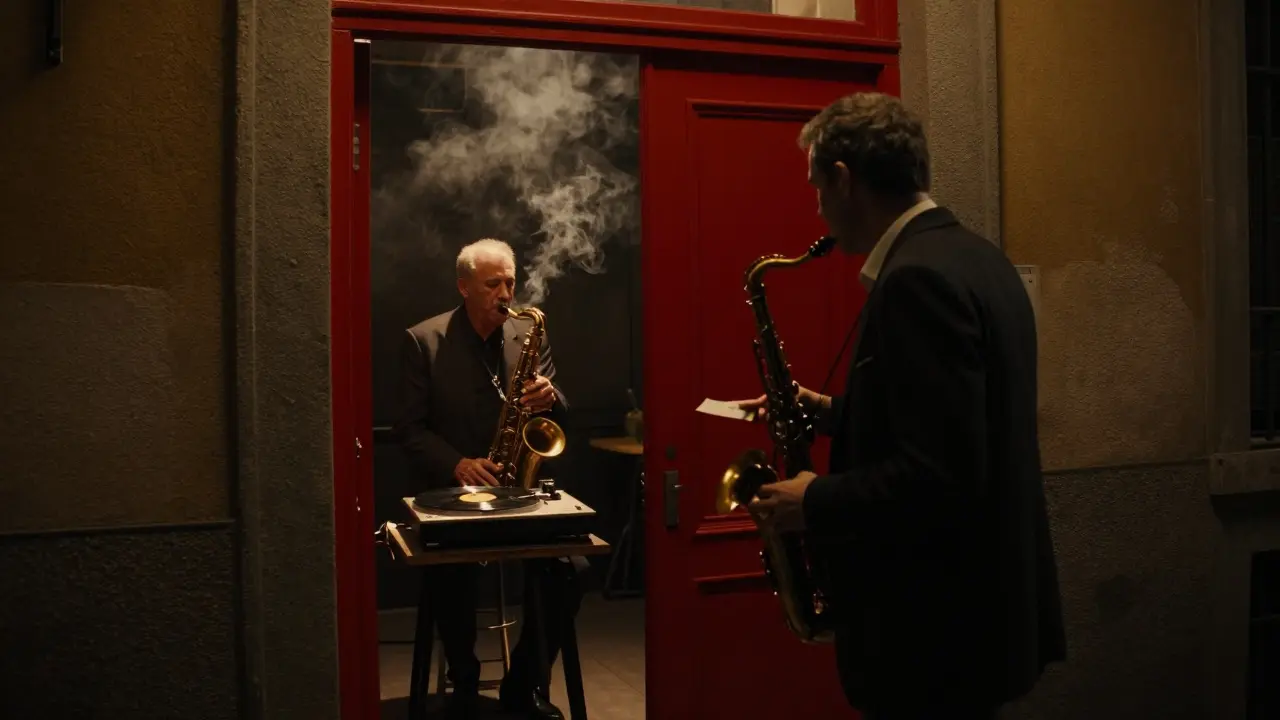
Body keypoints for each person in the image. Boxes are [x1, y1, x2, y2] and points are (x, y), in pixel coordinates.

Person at [736, 93, 1066, 719]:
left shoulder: (917, 280)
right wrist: (831, 409)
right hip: (983, 615)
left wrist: (812, 499)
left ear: (843, 177)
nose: (819, 209)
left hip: (931, 636)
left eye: (816, 188)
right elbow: (961, 421)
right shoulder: (976, 257)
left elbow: (941, 474)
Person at [395, 238, 581, 720]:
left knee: (571, 570)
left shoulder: (526, 332)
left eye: (510, 282)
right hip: (456, 495)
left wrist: (550, 395)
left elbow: (561, 407)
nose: (505, 293)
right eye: (492, 283)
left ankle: (523, 684)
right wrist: (457, 463)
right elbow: (409, 431)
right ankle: (465, 678)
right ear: (464, 287)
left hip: (517, 490)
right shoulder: (424, 341)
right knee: (448, 571)